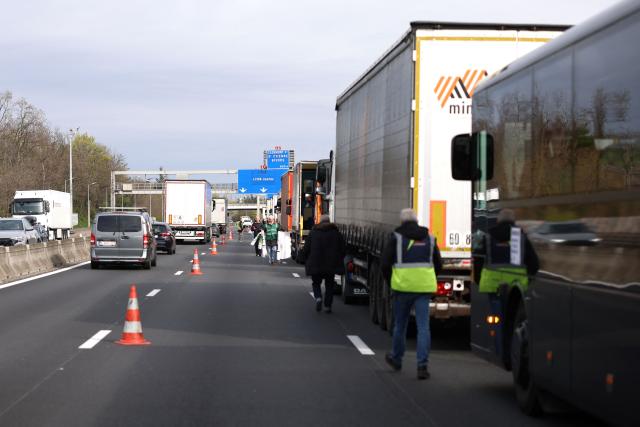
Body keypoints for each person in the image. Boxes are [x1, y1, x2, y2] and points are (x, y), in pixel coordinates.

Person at [380, 208, 442, 380]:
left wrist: (391, 280)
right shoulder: (429, 238)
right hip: (423, 289)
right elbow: (438, 263)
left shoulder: (397, 238)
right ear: (416, 221)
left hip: (402, 288)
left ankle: (396, 358)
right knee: (424, 327)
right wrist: (428, 278)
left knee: (400, 325)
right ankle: (422, 365)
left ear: (402, 222)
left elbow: (385, 263)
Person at [301, 214, 345, 313]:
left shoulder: (314, 232)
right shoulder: (336, 233)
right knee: (329, 285)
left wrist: (302, 258)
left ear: (320, 222)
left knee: (316, 283)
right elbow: (342, 249)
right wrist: (338, 259)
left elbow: (306, 248)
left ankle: (318, 298)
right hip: (331, 264)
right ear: (329, 222)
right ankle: (328, 306)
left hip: (316, 263)